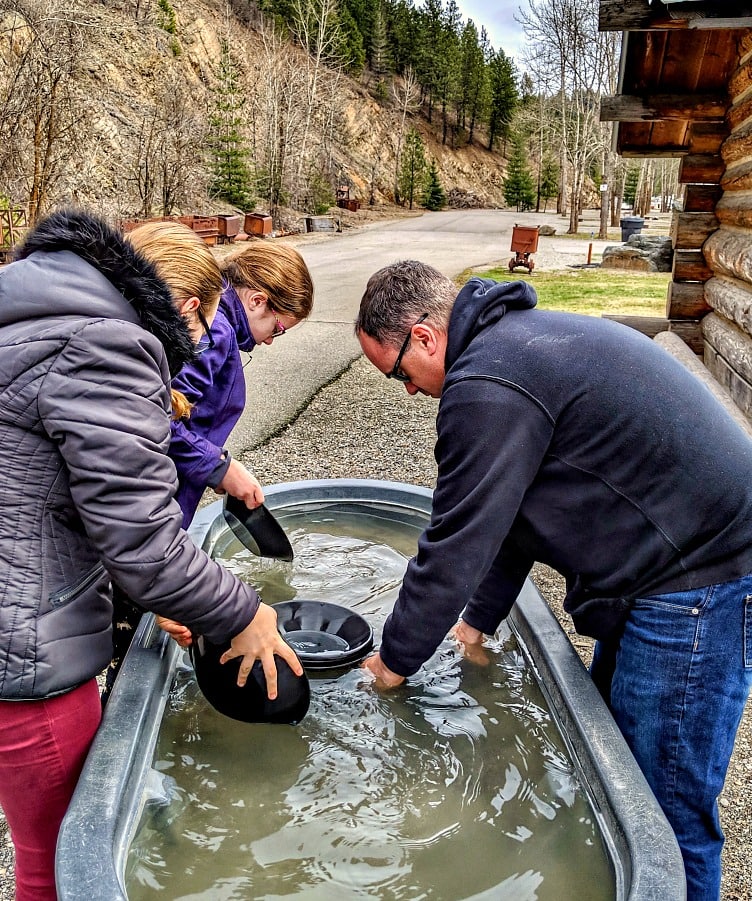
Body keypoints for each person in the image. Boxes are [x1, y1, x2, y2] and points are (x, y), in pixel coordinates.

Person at [355, 259, 752, 901]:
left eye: (398, 372)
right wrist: (474, 624)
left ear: (425, 337)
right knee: (613, 774)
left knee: (660, 813)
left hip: (698, 581)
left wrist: (394, 662)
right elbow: (508, 519)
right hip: (668, 561)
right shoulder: (515, 344)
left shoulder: (485, 383)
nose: (406, 389)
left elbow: (452, 542)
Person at [0, 208, 301, 901]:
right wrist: (245, 610)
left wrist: (153, 595)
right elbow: (142, 541)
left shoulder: (30, 310)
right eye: (196, 337)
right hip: (26, 658)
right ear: (187, 309)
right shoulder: (109, 343)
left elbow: (43, 497)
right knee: (63, 863)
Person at [104, 241, 314, 695]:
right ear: (257, 300)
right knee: (129, 611)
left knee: (138, 604)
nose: (274, 339)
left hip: (153, 499)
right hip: (147, 503)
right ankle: (122, 700)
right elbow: (157, 416)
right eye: (277, 327)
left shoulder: (217, 327)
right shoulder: (212, 332)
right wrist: (219, 467)